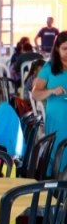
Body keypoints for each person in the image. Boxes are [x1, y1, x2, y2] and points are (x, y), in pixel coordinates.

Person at [32, 31, 67, 174]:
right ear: (57, 49)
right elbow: (35, 93)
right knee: (58, 151)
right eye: (65, 49)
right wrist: (51, 91)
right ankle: (57, 181)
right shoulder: (49, 68)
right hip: (57, 116)